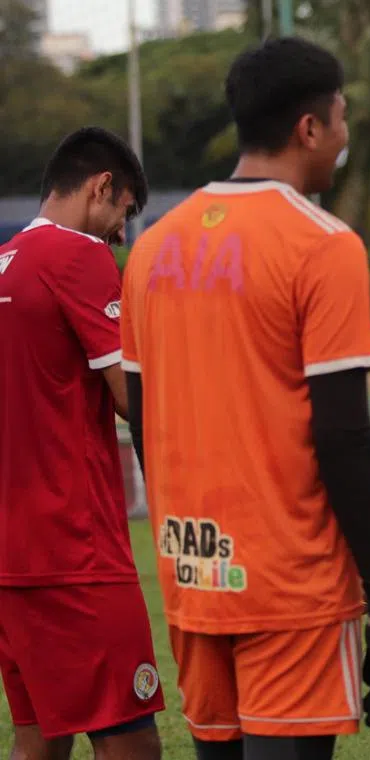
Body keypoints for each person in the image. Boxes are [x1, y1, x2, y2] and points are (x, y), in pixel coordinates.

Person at [119, 37, 370, 760]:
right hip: (293, 582)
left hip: (193, 574)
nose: (344, 138)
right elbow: (343, 434)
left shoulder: (152, 247)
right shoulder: (324, 245)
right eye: (341, 119)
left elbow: (146, 418)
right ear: (310, 128)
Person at [0, 127, 164, 759]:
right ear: (102, 188)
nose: (121, 234)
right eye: (124, 213)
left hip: (12, 553)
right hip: (75, 547)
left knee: (39, 734)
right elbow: (135, 400)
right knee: (130, 737)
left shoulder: (9, 257)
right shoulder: (78, 256)